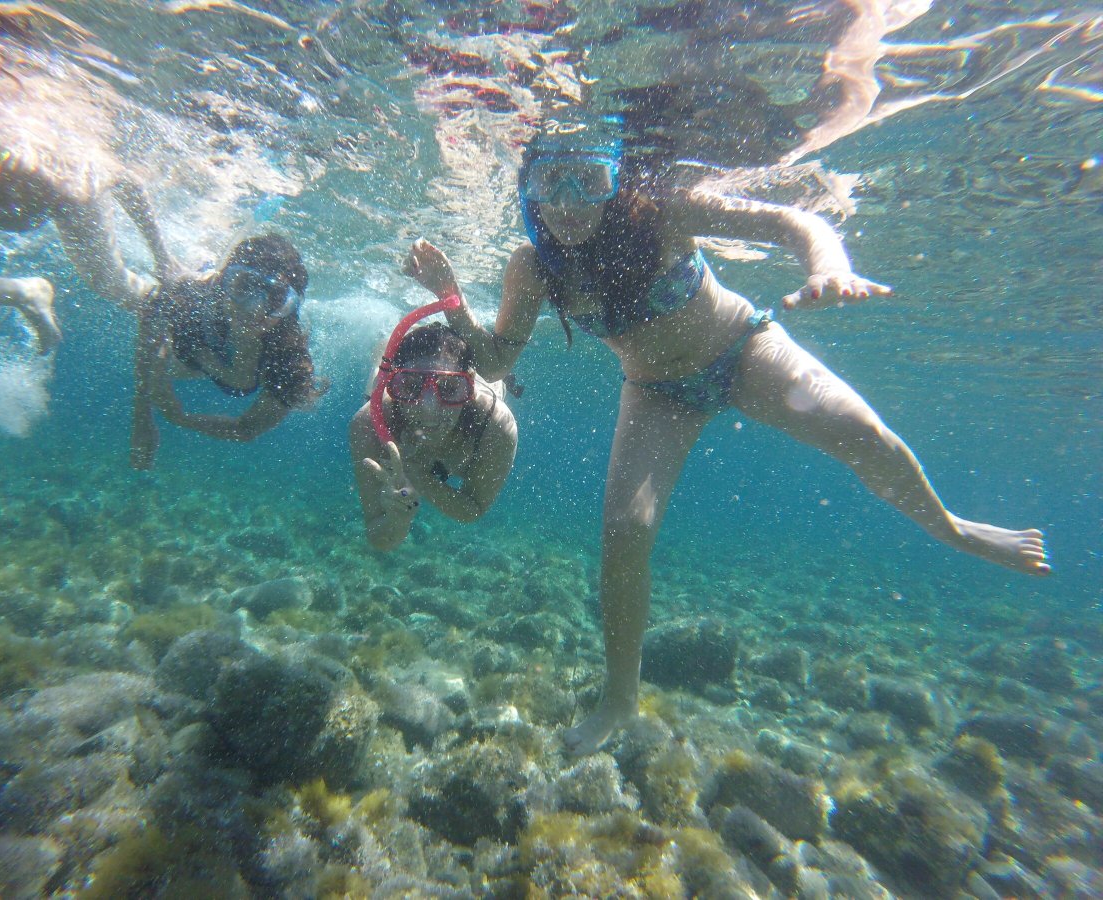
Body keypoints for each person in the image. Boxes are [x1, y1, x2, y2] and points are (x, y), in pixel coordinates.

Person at [404, 127, 1050, 756]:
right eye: (552, 181)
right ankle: (621, 698)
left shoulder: (667, 212)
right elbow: (490, 362)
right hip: (656, 391)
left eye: (590, 179)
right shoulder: (532, 269)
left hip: (743, 349)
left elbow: (793, 224)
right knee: (624, 532)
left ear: (616, 179)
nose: (570, 201)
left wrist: (829, 267)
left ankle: (952, 527)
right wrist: (450, 297)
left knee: (864, 434)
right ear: (527, 191)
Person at [0, 7, 178, 353]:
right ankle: (25, 293)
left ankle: (174, 321)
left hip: (58, 204)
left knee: (110, 284)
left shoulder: (48, 175)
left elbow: (125, 179)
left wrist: (163, 257)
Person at [130, 234, 326, 469]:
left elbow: (247, 428)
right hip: (197, 341)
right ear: (225, 282)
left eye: (275, 298)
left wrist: (181, 419)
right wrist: (142, 415)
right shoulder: (194, 306)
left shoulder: (286, 360)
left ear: (288, 308)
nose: (256, 308)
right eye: (245, 286)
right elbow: (151, 319)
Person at [350, 317, 518, 551]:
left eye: (449, 388)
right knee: (379, 369)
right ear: (395, 384)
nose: (429, 408)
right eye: (410, 386)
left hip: (484, 386)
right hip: (388, 393)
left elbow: (472, 509)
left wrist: (417, 475)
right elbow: (378, 539)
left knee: (495, 374)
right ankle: (385, 352)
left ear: (468, 387)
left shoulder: (494, 423)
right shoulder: (369, 422)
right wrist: (398, 519)